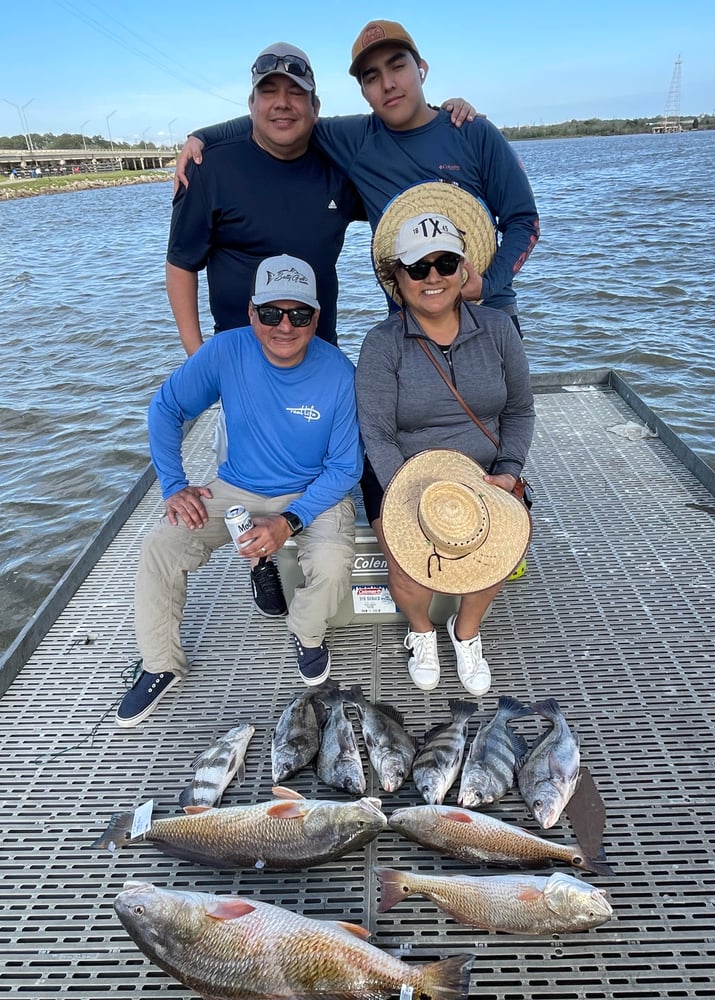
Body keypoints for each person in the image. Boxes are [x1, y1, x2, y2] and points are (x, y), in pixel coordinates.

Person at [115, 255, 362, 728]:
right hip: (236, 486)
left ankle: (306, 633)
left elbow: (344, 466)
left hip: (314, 490)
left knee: (331, 566)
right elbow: (165, 408)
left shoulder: (339, 373)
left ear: (317, 317)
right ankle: (160, 663)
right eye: (271, 313)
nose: (284, 326)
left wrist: (289, 521)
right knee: (160, 546)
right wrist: (174, 485)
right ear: (251, 313)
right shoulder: (226, 352)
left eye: (299, 314)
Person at [179, 20, 539, 331]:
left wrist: (488, 284)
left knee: (504, 410)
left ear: (422, 69)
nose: (388, 84)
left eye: (398, 67)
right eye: (372, 77)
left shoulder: (473, 132)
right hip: (412, 320)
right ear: (364, 91)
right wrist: (204, 137)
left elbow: (523, 220)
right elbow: (280, 117)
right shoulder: (355, 139)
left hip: (488, 311)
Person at [355, 204, 535, 697]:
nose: (432, 277)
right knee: (408, 561)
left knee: (500, 540)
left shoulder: (499, 330)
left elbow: (519, 411)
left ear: (463, 270)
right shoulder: (381, 343)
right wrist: (411, 493)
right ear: (397, 278)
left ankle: (467, 632)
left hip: (482, 470)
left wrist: (507, 471)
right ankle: (420, 631)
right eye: (417, 267)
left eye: (445, 263)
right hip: (401, 470)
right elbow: (376, 432)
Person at [166, 42, 365, 354]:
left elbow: (396, 210)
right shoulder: (209, 167)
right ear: (251, 104)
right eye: (269, 91)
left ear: (316, 108)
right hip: (238, 365)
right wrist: (198, 355)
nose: (282, 103)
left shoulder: (340, 167)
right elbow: (181, 263)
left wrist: (447, 121)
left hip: (320, 363)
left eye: (296, 93)